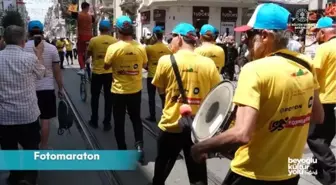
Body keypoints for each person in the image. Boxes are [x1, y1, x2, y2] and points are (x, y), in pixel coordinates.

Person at [190, 3, 324, 185]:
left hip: (253, 172)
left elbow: (242, 134)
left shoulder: (254, 69)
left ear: (265, 36)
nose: (245, 40)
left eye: (249, 35)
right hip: (290, 171)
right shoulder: (306, 64)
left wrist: (200, 147)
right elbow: (318, 115)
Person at [150, 22, 221, 185]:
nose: (171, 41)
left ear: (180, 38)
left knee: (161, 170)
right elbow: (216, 94)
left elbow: (161, 90)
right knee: (198, 176)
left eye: (173, 36)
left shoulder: (165, 61)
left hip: (171, 124)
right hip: (197, 129)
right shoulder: (208, 64)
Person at [0, 25, 45, 185]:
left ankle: (14, 175)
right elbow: (41, 74)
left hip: (4, 117)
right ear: (23, 41)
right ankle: (29, 178)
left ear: (4, 40)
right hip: (27, 114)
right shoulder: (29, 58)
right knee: (31, 147)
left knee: (9, 149)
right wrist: (39, 54)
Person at [104, 16, 147, 163]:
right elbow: (144, 64)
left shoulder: (113, 48)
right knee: (136, 119)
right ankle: (140, 147)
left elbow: (106, 66)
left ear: (118, 30)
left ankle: (122, 151)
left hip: (118, 91)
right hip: (135, 90)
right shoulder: (140, 47)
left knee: (119, 121)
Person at [24, 20, 64, 150]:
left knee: (30, 120)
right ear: (42, 31)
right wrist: (60, 88)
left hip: (28, 89)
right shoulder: (51, 48)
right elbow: (57, 71)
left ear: (28, 32)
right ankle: (44, 145)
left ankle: (31, 145)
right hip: (47, 88)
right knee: (45, 119)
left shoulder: (23, 47)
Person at [308, 16, 336, 184]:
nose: (315, 37)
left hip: (326, 100)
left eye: (316, 33)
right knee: (325, 138)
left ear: (323, 32)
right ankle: (316, 168)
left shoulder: (324, 49)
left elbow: (314, 75)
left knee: (313, 137)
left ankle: (332, 168)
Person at [87, 20, 117, 131]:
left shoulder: (93, 40)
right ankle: (107, 123)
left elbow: (88, 53)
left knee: (95, 98)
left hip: (97, 73)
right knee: (109, 99)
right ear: (109, 29)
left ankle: (94, 121)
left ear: (99, 29)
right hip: (109, 74)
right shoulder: (114, 41)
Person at [145, 26, 172, 122]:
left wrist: (147, 67)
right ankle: (165, 115)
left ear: (154, 35)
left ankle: (152, 116)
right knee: (164, 97)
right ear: (162, 35)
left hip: (152, 75)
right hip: (164, 76)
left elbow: (145, 63)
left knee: (151, 97)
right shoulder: (168, 48)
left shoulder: (149, 48)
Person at [68, 2, 96, 75]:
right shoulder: (90, 16)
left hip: (81, 36)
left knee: (80, 53)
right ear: (87, 8)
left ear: (81, 7)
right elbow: (94, 20)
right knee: (90, 51)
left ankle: (82, 68)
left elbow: (71, 12)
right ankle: (89, 62)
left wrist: (73, 2)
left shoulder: (78, 14)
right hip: (90, 37)